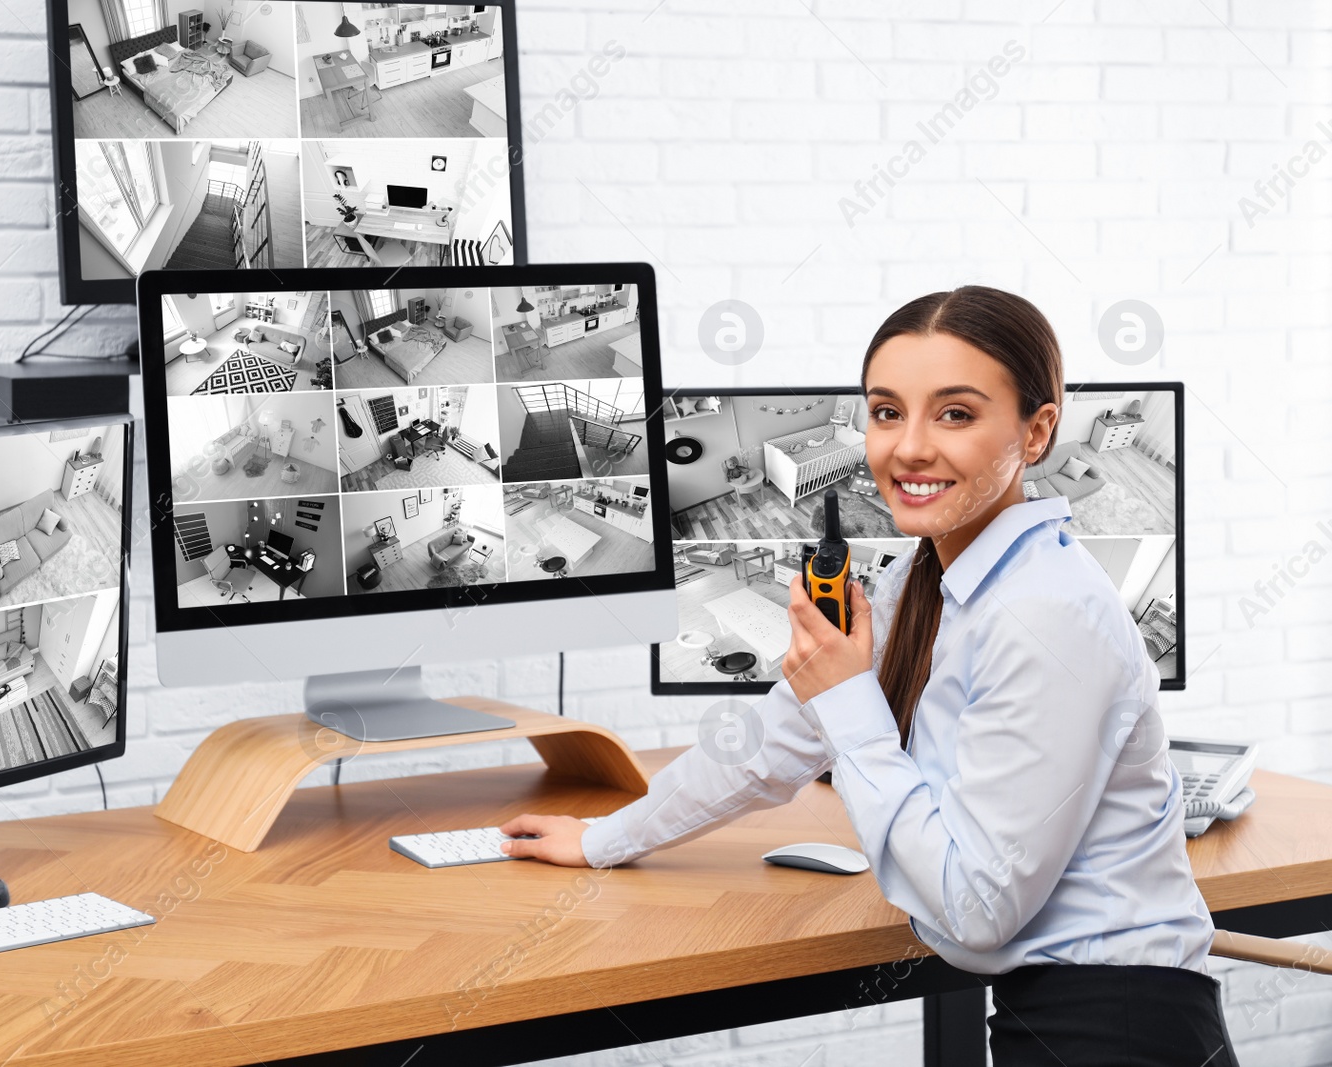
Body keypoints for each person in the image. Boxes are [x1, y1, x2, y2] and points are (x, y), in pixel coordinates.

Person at [499, 286, 1236, 1066]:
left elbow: (975, 908)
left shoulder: (1048, 613)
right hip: (1056, 1010)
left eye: (955, 413)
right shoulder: (923, 578)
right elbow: (777, 736)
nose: (908, 448)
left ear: (1036, 430)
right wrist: (606, 838)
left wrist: (849, 700)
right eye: (887, 412)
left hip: (1115, 1028)